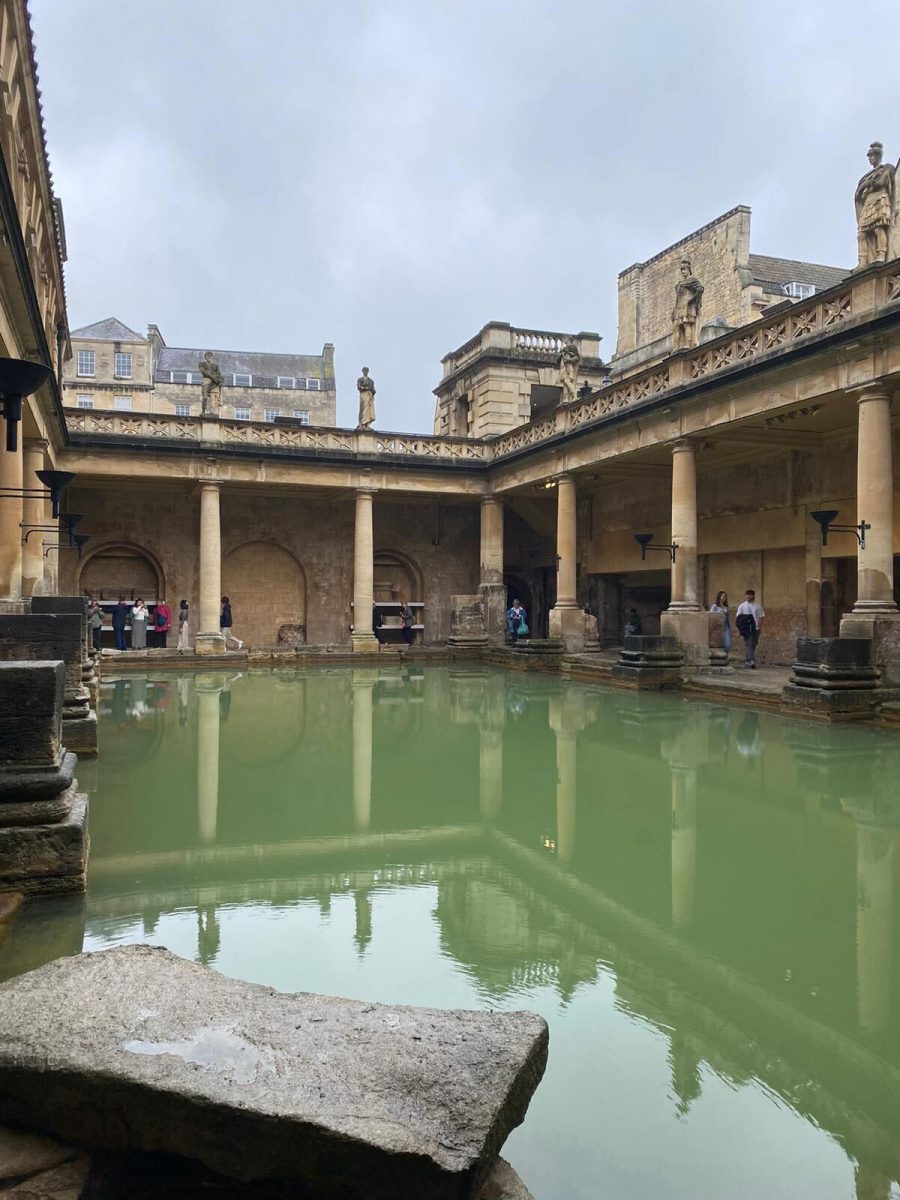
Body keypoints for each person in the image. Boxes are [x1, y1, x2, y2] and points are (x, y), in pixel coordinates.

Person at [735, 588, 765, 668]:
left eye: (750, 595)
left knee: (753, 644)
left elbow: (761, 616)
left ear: (753, 596)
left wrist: (759, 627)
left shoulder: (758, 606)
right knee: (750, 643)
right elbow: (738, 618)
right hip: (746, 628)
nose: (749, 596)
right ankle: (752, 660)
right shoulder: (742, 606)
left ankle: (748, 659)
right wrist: (740, 629)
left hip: (755, 628)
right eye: (747, 595)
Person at [710, 590, 731, 659]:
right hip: (717, 627)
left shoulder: (726, 607)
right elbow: (711, 616)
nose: (725, 597)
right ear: (720, 597)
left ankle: (724, 656)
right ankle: (719, 658)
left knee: (727, 644)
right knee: (717, 644)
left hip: (725, 626)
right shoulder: (715, 606)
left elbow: (728, 618)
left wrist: (729, 628)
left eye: (725, 596)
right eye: (723, 596)